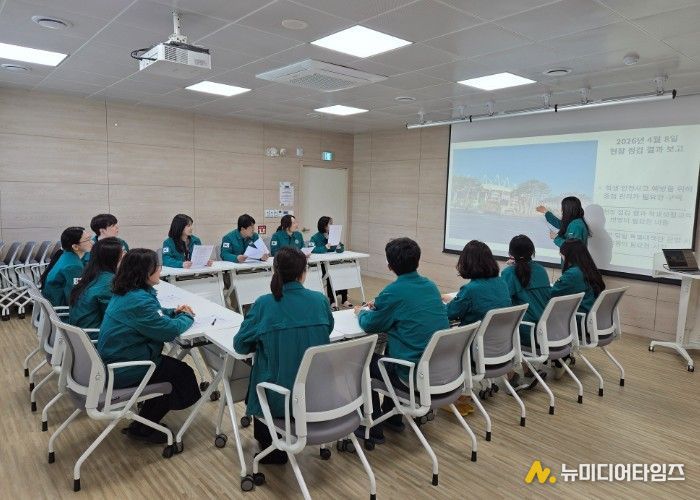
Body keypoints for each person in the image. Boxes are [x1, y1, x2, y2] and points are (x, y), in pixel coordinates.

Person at [234, 247, 333, 464]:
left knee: (262, 369)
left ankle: (272, 447)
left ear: (274, 271)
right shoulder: (320, 301)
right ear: (303, 273)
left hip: (280, 401)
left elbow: (240, 345)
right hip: (318, 395)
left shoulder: (264, 304)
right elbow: (329, 329)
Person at [97, 249, 200, 443]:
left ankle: (143, 421)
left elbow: (154, 315)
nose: (160, 269)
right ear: (144, 272)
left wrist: (173, 312)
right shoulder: (139, 300)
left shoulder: (128, 293)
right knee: (182, 375)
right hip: (127, 367)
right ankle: (144, 428)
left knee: (174, 370)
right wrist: (186, 316)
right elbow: (169, 331)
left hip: (119, 359)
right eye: (157, 266)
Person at [355, 237, 449, 443]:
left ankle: (372, 426)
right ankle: (393, 417)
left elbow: (370, 324)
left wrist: (360, 312)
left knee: (361, 362)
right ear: (418, 261)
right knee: (392, 348)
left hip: (411, 376)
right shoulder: (431, 286)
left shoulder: (394, 291)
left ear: (389, 265)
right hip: (439, 372)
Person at [500, 235, 551, 390]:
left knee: (499, 328)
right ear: (532, 252)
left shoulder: (509, 273)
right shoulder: (541, 270)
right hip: (544, 329)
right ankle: (529, 371)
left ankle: (512, 377)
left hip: (526, 332)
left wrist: (509, 269)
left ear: (511, 254)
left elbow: (503, 303)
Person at [550, 239, 606, 378]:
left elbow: (552, 293)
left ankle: (560, 359)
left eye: (562, 254)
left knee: (545, 319)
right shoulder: (589, 269)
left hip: (580, 323)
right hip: (590, 320)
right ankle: (561, 357)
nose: (561, 257)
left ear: (569, 255)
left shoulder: (573, 274)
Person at [68, 238, 124, 338]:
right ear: (113, 258)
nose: (125, 255)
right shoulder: (109, 283)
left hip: (82, 335)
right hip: (96, 338)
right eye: (122, 253)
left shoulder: (92, 274)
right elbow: (117, 318)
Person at [40, 227, 92, 307]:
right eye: (87, 240)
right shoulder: (74, 266)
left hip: (53, 302)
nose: (91, 242)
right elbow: (74, 297)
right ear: (75, 247)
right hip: (61, 308)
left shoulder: (65, 255)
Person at [310, 216, 351, 310]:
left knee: (343, 272)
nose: (332, 226)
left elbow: (341, 248)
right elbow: (312, 249)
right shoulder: (315, 237)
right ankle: (332, 301)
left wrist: (339, 247)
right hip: (321, 265)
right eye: (330, 224)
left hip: (333, 263)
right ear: (324, 226)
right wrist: (325, 247)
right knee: (331, 274)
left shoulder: (333, 235)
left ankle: (344, 299)